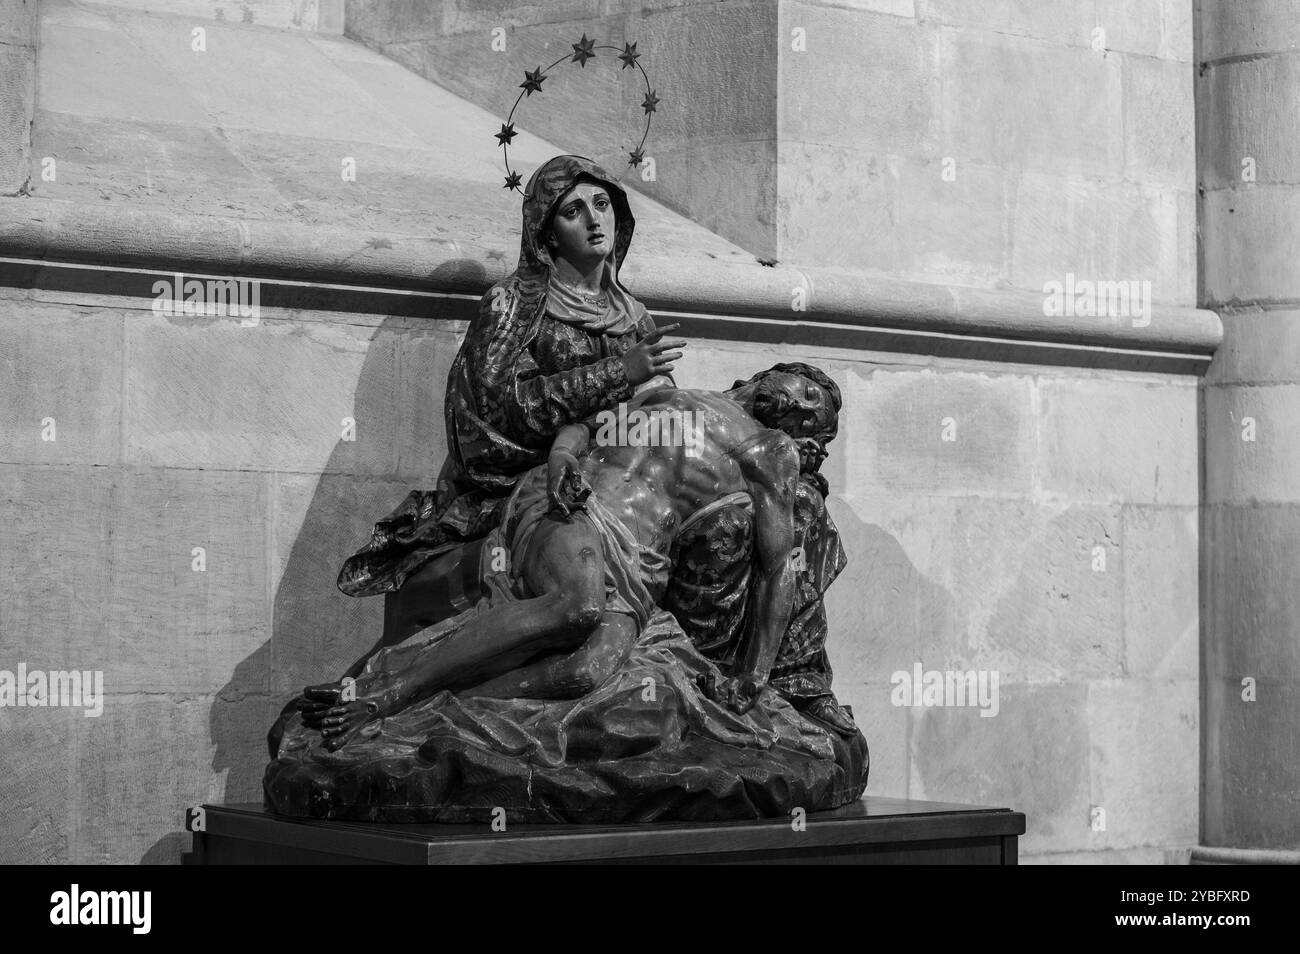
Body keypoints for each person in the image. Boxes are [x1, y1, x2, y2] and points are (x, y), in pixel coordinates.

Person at [301, 364, 838, 750]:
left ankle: (427, 711)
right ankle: (384, 697)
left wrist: (753, 675)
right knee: (575, 606)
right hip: (576, 508)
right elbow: (583, 426)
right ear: (766, 375)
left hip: (639, 572)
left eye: (818, 414)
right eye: (807, 387)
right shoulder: (670, 395)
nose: (808, 404)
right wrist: (561, 459)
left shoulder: (772, 453)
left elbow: (778, 570)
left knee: (588, 673)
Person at [336, 156, 685, 627]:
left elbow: (658, 413)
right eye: (572, 210)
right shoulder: (512, 304)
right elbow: (497, 411)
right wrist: (617, 373)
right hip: (521, 479)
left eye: (602, 204)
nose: (593, 219)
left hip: (617, 474)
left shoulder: (634, 315)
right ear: (546, 232)